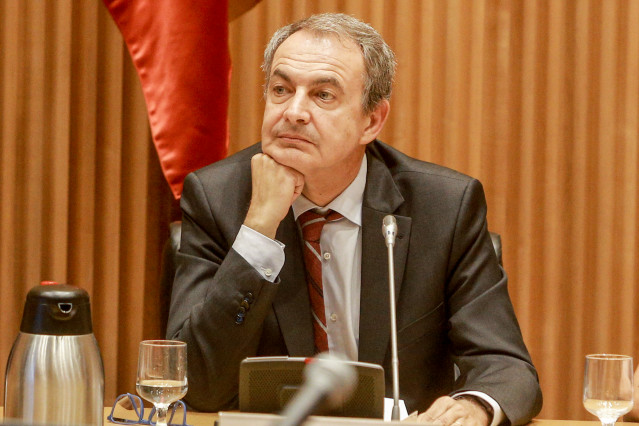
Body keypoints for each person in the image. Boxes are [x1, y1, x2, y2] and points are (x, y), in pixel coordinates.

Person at [167, 13, 542, 425]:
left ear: (372, 121)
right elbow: (193, 384)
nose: (293, 111)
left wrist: (473, 408)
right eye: (281, 89)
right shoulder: (218, 198)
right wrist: (258, 229)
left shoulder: (443, 206)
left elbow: (507, 367)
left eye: (323, 95)